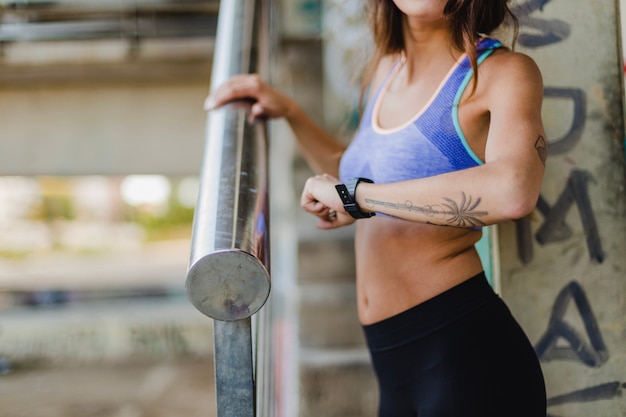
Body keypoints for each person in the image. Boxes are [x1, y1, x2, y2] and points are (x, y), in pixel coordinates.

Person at [205, 0, 547, 415]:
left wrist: (356, 198)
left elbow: (513, 191)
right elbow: (366, 173)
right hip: (391, 360)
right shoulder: (387, 68)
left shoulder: (503, 73)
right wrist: (291, 112)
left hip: (463, 354)